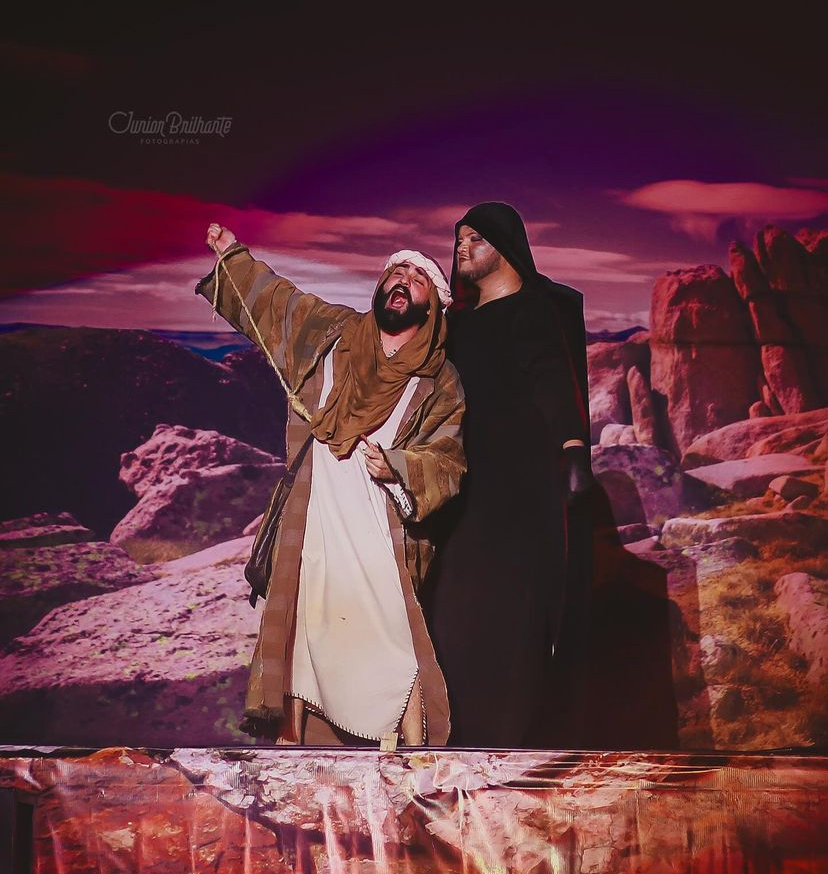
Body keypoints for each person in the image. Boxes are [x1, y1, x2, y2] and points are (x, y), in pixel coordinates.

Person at [196, 223, 465, 746]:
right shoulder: (335, 334)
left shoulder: (439, 380)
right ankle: (293, 747)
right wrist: (232, 255)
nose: (403, 281)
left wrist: (398, 467)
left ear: (433, 305)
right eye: (396, 273)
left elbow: (447, 459)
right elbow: (280, 304)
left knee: (395, 637)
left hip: (379, 520)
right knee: (306, 631)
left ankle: (414, 754)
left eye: (417, 278)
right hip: (317, 506)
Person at [422, 202, 593, 748]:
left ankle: (510, 748)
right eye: (458, 240)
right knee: (453, 619)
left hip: (520, 495)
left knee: (513, 620)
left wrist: (573, 450)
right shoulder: (454, 327)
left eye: (476, 238)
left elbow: (553, 378)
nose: (462, 248)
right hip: (459, 497)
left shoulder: (536, 310)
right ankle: (456, 746)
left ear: (507, 245)